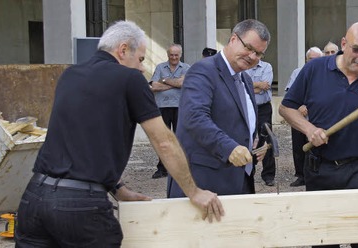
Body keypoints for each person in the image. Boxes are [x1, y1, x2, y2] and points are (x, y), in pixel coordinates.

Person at [14, 21, 223, 247]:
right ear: (123, 50)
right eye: (141, 59)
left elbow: (81, 141)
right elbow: (164, 142)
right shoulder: (130, 79)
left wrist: (119, 189)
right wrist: (193, 191)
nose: (142, 68)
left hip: (34, 198)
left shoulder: (70, 75)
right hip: (80, 207)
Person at [280, 22, 358, 248]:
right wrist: (309, 129)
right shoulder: (314, 69)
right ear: (344, 44)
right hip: (319, 168)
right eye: (357, 49)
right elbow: (286, 108)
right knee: (324, 240)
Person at [169, 19, 269, 196]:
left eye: (259, 54)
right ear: (233, 40)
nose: (253, 56)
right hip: (205, 183)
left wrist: (253, 143)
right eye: (249, 48)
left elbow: (237, 121)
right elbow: (195, 118)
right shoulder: (203, 71)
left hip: (240, 180)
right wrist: (230, 148)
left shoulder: (244, 79)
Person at [149, 44, 191, 179]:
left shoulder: (186, 68)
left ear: (180, 55)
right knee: (163, 139)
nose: (173, 57)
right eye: (171, 55)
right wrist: (175, 83)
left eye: (176, 55)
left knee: (180, 138)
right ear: (168, 55)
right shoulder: (160, 67)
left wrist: (165, 80)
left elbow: (183, 84)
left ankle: (180, 168)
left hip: (180, 107)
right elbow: (153, 86)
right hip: (162, 107)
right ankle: (162, 168)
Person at [285, 47, 323, 187]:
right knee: (298, 147)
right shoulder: (297, 72)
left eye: (316, 59)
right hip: (299, 118)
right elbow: (290, 95)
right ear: (306, 60)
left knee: (316, 146)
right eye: (310, 59)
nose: (313, 62)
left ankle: (314, 174)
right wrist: (300, 105)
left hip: (317, 118)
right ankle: (300, 175)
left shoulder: (326, 74)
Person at [246, 58, 276, 186]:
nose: (254, 55)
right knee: (247, 139)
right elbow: (241, 86)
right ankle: (248, 171)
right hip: (247, 107)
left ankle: (268, 175)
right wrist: (258, 85)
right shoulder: (244, 66)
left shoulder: (266, 66)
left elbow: (265, 86)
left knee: (267, 139)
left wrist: (249, 86)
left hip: (263, 108)